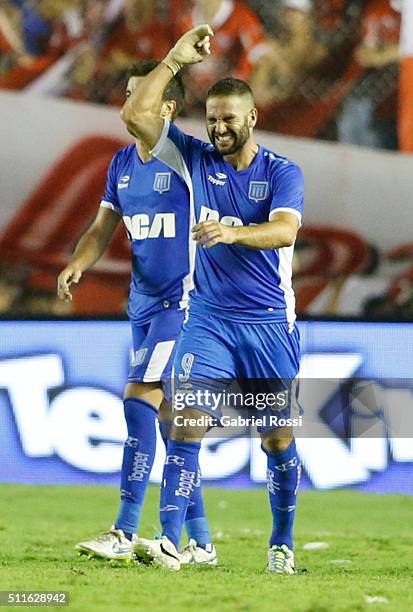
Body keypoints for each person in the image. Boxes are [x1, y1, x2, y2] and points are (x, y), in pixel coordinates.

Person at [120, 26, 304, 573]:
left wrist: (232, 233)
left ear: (252, 119)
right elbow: (136, 116)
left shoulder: (281, 172)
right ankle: (173, 541)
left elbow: (285, 232)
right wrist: (176, 59)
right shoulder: (195, 159)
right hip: (208, 321)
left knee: (278, 440)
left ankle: (282, 542)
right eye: (213, 118)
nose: (219, 127)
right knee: (183, 419)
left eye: (229, 118)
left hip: (270, 325)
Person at [57, 59, 216, 566]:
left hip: (183, 301)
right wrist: (79, 262)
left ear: (166, 107)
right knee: (172, 421)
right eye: (126, 93)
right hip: (143, 304)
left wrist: (175, 57)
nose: (128, 104)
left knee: (137, 398)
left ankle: (125, 531)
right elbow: (103, 227)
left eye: (139, 95)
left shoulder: (183, 159)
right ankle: (201, 541)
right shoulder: (122, 164)